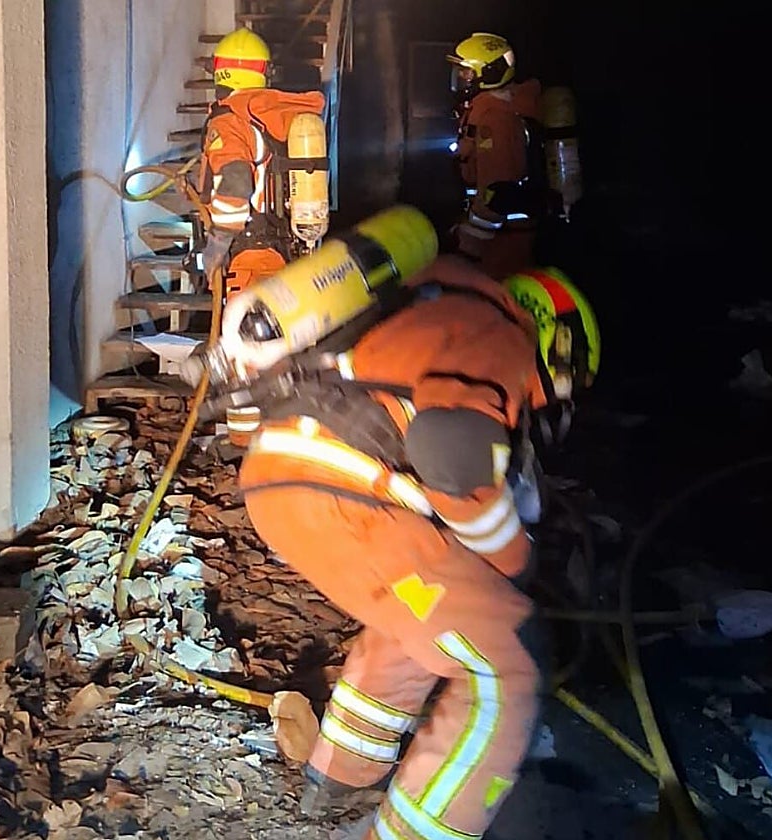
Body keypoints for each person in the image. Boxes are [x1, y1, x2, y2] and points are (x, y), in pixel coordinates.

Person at [236, 251, 559, 840]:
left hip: (282, 478)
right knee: (507, 663)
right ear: (560, 341)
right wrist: (515, 558)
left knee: (423, 616)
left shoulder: (428, 311)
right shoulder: (504, 335)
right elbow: (453, 451)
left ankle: (340, 777)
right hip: (345, 494)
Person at [193, 27, 326, 445]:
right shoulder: (285, 117)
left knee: (241, 352)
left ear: (222, 74)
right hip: (286, 251)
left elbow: (233, 182)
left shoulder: (232, 120)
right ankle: (288, 436)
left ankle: (246, 446)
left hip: (247, 253)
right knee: (276, 344)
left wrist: (216, 244)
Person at [447, 33, 545, 280]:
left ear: (490, 73)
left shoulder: (495, 119)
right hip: (504, 234)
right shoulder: (491, 109)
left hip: (503, 241)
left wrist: (469, 244)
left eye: (467, 72)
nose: (461, 78)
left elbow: (496, 195)